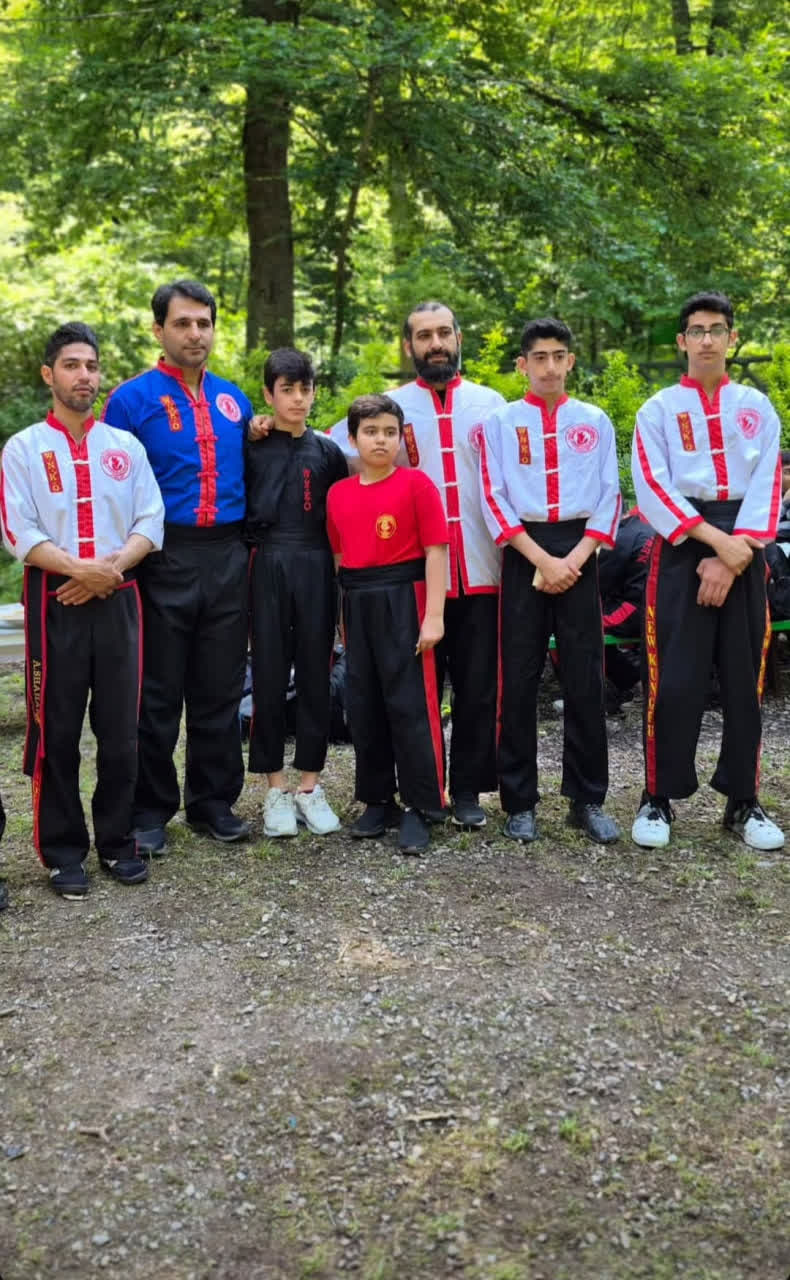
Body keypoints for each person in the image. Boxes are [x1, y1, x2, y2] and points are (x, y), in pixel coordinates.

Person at [0, 323, 164, 897]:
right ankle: (63, 850)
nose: (84, 376)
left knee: (120, 732)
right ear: (49, 374)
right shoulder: (23, 449)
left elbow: (151, 520)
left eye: (91, 366)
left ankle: (118, 841)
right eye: (72, 365)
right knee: (57, 729)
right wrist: (78, 570)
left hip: (119, 596)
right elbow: (17, 530)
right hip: (55, 601)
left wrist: (107, 572)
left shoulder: (125, 447)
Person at [329, 302, 505, 829]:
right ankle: (409, 790)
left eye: (444, 333)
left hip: (481, 567)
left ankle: (467, 789)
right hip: (411, 582)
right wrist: (266, 427)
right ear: (409, 346)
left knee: (477, 688)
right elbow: (332, 445)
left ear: (458, 338)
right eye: (424, 336)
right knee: (407, 695)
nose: (436, 344)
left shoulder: (491, 405)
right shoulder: (392, 409)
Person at [102, 281, 252, 854]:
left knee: (220, 687)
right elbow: (114, 487)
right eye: (183, 323)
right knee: (157, 691)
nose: (195, 334)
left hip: (228, 555)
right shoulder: (130, 400)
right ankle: (149, 810)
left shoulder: (235, 400)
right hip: (161, 557)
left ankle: (213, 803)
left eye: (203, 323)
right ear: (158, 329)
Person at [630, 290, 783, 851]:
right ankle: (657, 796)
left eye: (717, 329)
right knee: (673, 679)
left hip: (745, 542)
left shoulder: (757, 406)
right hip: (683, 546)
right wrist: (715, 546)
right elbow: (652, 485)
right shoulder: (658, 410)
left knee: (745, 679)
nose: (707, 340)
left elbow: (768, 481)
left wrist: (735, 550)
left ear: (732, 338)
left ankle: (744, 800)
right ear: (682, 341)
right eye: (697, 330)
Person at [479, 317, 622, 844]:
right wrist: (542, 559)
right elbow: (493, 496)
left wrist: (574, 560)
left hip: (581, 551)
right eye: (539, 357)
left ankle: (587, 798)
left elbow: (610, 494)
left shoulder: (594, 420)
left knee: (585, 677)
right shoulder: (500, 423)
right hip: (525, 551)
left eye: (558, 356)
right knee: (518, 679)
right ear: (522, 364)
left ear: (571, 361)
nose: (549, 366)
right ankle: (519, 801)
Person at [327, 394, 449, 854]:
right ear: (353, 438)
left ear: (401, 438)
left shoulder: (417, 485)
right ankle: (378, 798)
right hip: (358, 601)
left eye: (390, 432)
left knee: (410, 703)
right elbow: (340, 557)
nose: (381, 440)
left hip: (406, 598)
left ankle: (422, 803)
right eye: (371, 432)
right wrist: (343, 619)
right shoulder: (338, 494)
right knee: (364, 703)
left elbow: (436, 551)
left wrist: (433, 615)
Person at [245, 348, 347, 836]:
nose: (297, 399)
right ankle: (275, 789)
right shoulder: (251, 446)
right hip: (266, 561)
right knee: (267, 674)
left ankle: (309, 785)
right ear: (269, 394)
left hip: (316, 564)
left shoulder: (327, 452)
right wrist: (251, 428)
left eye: (305, 389)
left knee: (314, 674)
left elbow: (341, 521)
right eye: (287, 390)